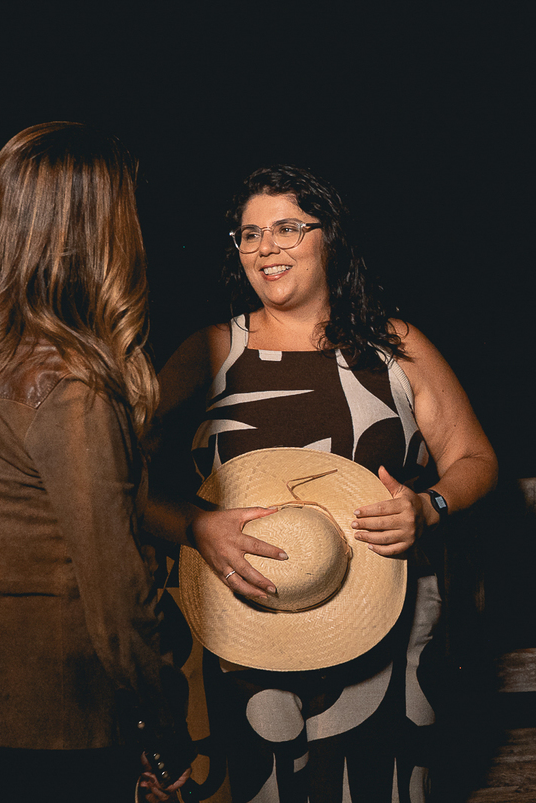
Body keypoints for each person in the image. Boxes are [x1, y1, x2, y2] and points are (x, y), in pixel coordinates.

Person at [142, 164, 497, 802]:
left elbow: (474, 457)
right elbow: (119, 476)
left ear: (328, 237)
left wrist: (429, 506)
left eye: (287, 228)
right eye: (250, 234)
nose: (265, 248)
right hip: (234, 625)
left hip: (384, 625)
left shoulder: (395, 347)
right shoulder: (210, 350)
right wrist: (194, 526)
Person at [0, 122, 192, 803]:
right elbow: (118, 592)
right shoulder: (70, 383)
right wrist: (161, 724)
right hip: (56, 723)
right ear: (98, 231)